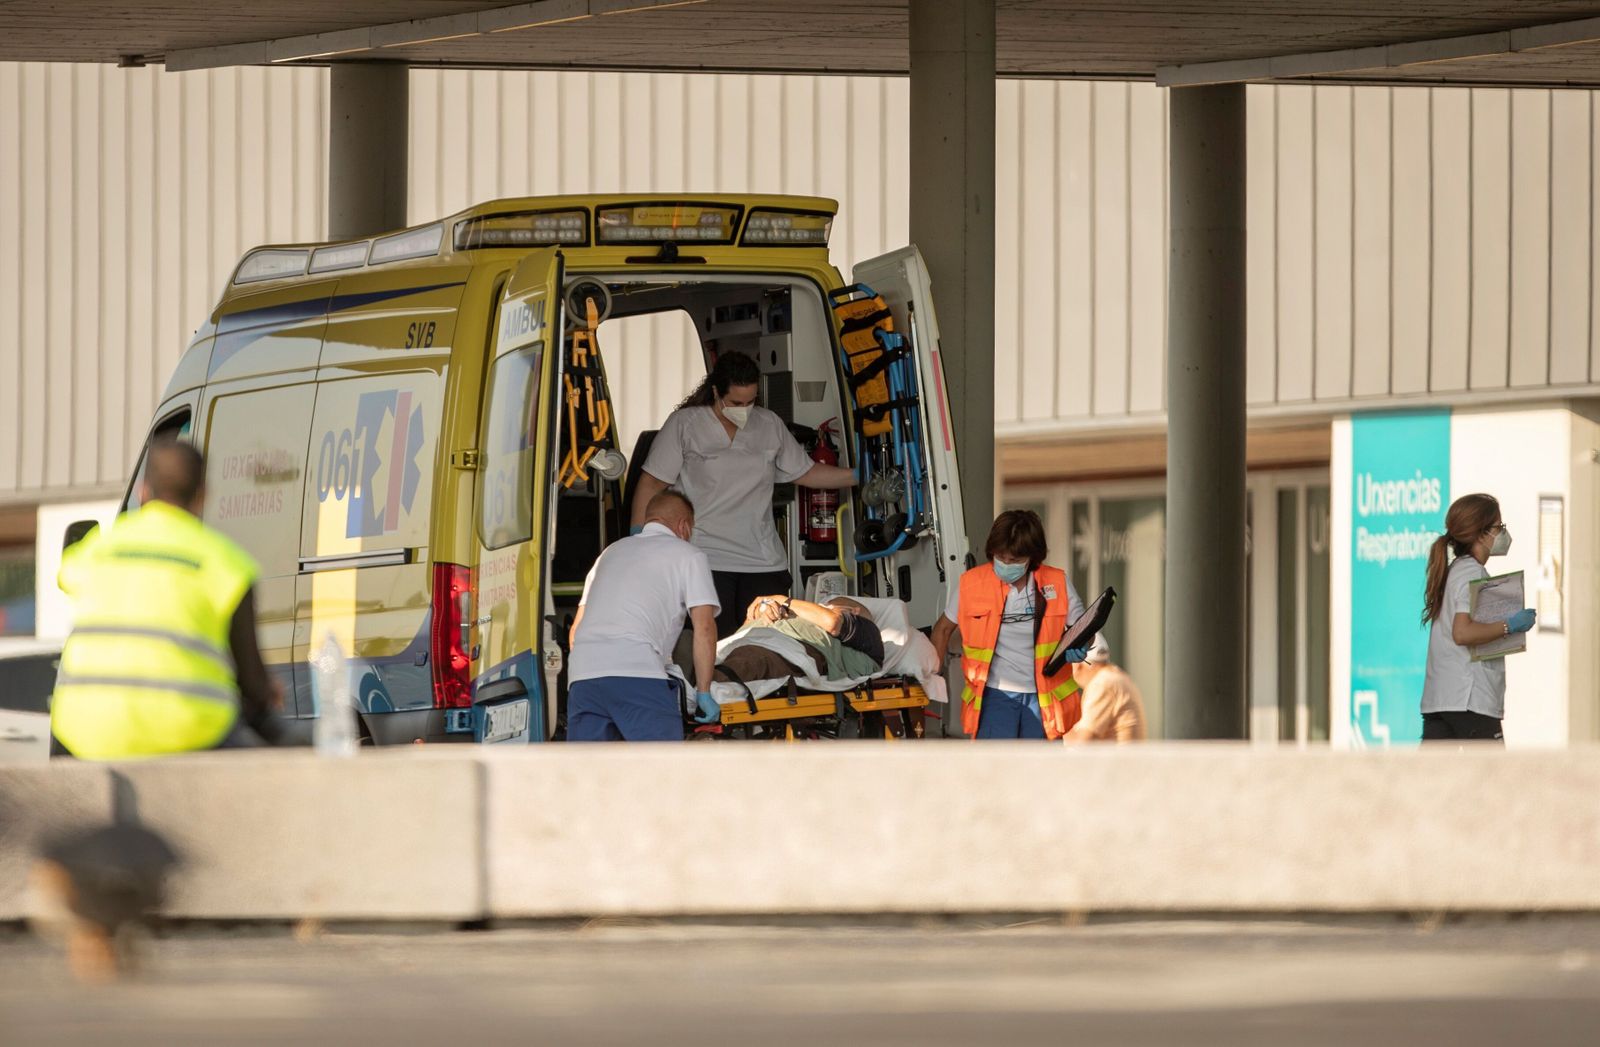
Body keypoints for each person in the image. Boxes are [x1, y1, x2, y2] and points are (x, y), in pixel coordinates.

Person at [51, 439, 284, 759]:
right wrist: (268, 693)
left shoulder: (95, 550)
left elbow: (66, 576)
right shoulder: (228, 565)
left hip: (86, 733)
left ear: (142, 492)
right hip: (187, 734)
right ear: (202, 496)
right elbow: (253, 684)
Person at [631, 352, 856, 636]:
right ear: (716, 392)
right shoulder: (685, 425)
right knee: (715, 646)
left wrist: (856, 477)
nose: (745, 410)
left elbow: (805, 472)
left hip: (762, 560)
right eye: (737, 403)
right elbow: (651, 483)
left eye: (751, 402)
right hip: (705, 557)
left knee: (768, 644)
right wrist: (638, 542)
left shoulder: (769, 424)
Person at [567, 491, 720, 741]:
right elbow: (704, 627)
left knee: (590, 775)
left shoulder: (609, 554)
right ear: (683, 526)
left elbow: (576, 630)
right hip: (637, 676)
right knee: (661, 773)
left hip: (583, 679)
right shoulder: (689, 555)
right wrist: (703, 691)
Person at [930, 509, 1089, 740]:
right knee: (996, 773)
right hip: (995, 697)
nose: (1005, 564)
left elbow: (1084, 629)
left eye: (1014, 560)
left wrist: (1082, 644)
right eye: (1000, 557)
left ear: (1032, 558)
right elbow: (942, 629)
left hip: (1043, 699)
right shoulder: (972, 584)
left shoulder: (1056, 582)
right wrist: (930, 677)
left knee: (1038, 773)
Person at [1420, 493, 1536, 743]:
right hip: (1469, 701)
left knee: (1432, 780)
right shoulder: (1471, 573)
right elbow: (1462, 633)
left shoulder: (1455, 571)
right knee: (1494, 779)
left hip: (1442, 701)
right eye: (1499, 527)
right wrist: (1510, 625)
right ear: (1482, 534)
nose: (1503, 534)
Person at [715, 594, 886, 688]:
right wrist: (761, 611)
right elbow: (745, 629)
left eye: (828, 605)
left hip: (791, 648)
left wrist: (782, 600)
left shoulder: (866, 629)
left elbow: (831, 622)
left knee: (748, 662)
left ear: (853, 611)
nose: (821, 607)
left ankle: (700, 696)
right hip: (746, 640)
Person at [1061, 634, 1147, 743]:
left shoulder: (1102, 684)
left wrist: (1059, 719)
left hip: (1119, 760)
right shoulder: (1115, 677)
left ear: (1077, 666)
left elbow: (1081, 744)